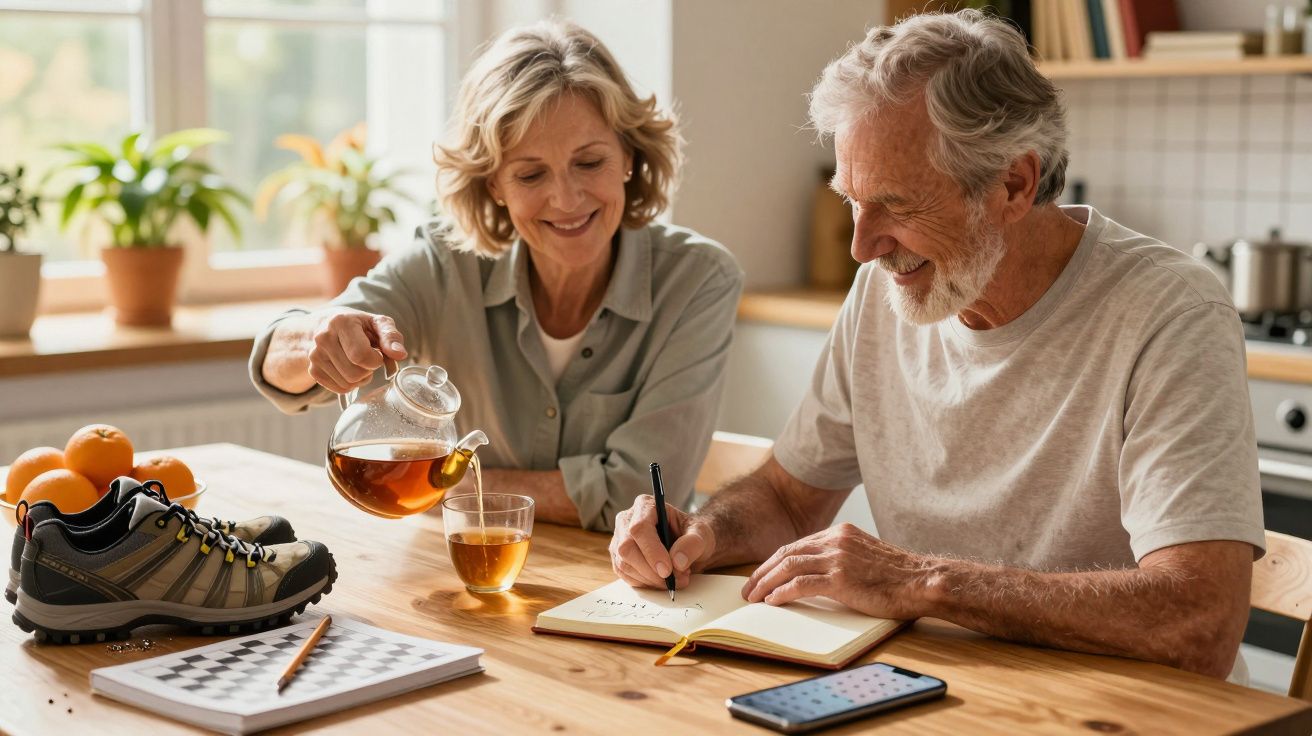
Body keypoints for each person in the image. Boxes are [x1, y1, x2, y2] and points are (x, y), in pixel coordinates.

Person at [610, 10, 1263, 681]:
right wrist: (704, 532)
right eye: (853, 203)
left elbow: (1199, 619)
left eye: (896, 205)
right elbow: (786, 499)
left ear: (1014, 184)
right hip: (934, 690)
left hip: (1127, 709)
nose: (863, 247)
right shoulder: (882, 292)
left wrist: (925, 582)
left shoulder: (1170, 313)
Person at [250, 20, 743, 531]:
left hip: (626, 592)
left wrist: (445, 480)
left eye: (590, 162)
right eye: (531, 174)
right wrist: (318, 338)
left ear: (629, 158)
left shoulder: (698, 281)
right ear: (494, 185)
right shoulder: (446, 262)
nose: (567, 200)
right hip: (456, 584)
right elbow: (275, 362)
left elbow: (636, 494)